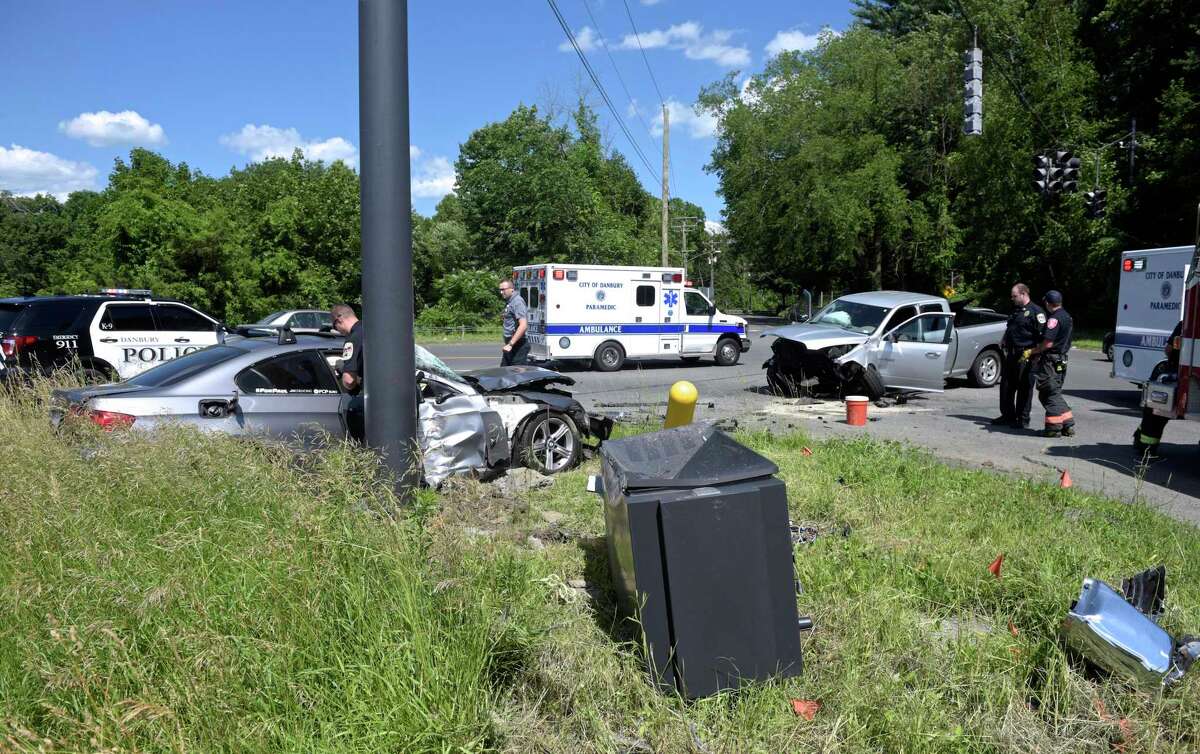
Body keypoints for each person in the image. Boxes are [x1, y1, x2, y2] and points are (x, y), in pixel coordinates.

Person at [993, 283, 1046, 428]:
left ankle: (1023, 419)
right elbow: (1011, 328)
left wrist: (1036, 354)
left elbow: (1042, 337)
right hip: (1011, 353)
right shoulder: (1016, 310)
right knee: (1006, 386)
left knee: (1024, 388)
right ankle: (1007, 416)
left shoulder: (1037, 312)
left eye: (1014, 296)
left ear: (1023, 294)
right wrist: (1004, 340)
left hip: (1027, 354)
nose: (1012, 298)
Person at [1133, 320, 1183, 460]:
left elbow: (1168, 349)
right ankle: (1143, 440)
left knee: (1155, 411)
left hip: (1178, 373)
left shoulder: (1186, 324)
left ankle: (1147, 448)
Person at [1027, 290, 1075, 437]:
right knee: (1055, 391)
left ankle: (1053, 427)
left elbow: (1047, 343)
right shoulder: (1067, 316)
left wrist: (1033, 351)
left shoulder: (1054, 319)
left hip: (1051, 360)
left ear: (1048, 303)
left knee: (1048, 392)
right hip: (1061, 359)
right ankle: (1067, 424)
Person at [331, 303, 365, 441]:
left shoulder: (353, 338)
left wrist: (342, 369)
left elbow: (348, 381)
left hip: (368, 402)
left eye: (335, 327)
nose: (337, 330)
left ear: (339, 320)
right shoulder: (374, 329)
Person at [498, 279, 529, 366]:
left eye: (503, 289)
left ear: (511, 289)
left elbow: (523, 325)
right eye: (500, 290)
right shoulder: (510, 301)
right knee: (504, 371)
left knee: (517, 374)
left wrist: (511, 344)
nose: (501, 292)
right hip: (511, 343)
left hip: (518, 345)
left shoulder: (517, 302)